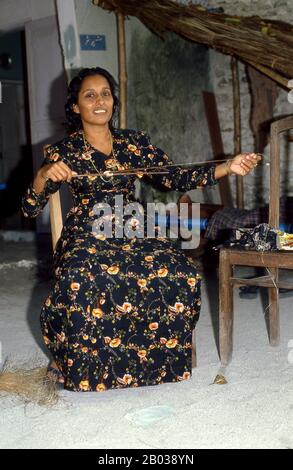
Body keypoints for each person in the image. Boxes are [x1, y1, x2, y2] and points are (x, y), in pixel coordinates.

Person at [21, 67, 260, 392]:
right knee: (80, 279)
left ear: (113, 100)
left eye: (105, 93)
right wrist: (44, 175)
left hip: (131, 224)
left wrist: (227, 166)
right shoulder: (62, 152)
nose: (99, 101)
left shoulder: (134, 143)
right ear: (76, 106)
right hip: (86, 230)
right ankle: (74, 360)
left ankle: (164, 356)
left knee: (179, 272)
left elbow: (175, 177)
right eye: (89, 95)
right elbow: (30, 207)